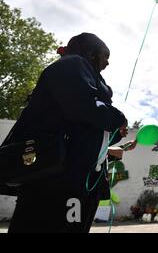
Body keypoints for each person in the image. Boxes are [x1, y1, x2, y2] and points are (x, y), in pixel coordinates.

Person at [2, 33, 129, 233]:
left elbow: (87, 124)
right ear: (91, 54)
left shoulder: (87, 77)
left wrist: (116, 132)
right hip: (57, 182)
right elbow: (84, 106)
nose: (108, 63)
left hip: (75, 183)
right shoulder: (71, 65)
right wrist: (118, 118)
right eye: (105, 56)